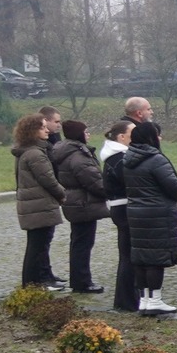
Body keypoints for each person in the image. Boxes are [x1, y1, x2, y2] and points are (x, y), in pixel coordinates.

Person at [122, 121, 177, 316]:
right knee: (155, 259)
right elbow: (176, 191)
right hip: (157, 214)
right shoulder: (156, 160)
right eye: (157, 135)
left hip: (135, 213)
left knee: (141, 257)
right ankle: (156, 300)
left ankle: (144, 300)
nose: (160, 138)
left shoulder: (128, 159)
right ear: (150, 137)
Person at [51, 120, 107, 294]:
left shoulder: (66, 151)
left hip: (75, 202)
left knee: (78, 242)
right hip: (83, 203)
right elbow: (93, 181)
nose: (88, 134)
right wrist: (110, 191)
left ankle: (80, 280)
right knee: (83, 244)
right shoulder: (78, 155)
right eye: (86, 131)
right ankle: (82, 282)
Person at [11, 115, 65, 290]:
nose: (47, 130)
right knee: (38, 247)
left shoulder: (28, 151)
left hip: (34, 205)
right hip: (39, 206)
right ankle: (35, 283)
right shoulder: (35, 154)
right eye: (43, 127)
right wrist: (62, 194)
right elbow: (48, 179)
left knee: (37, 246)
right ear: (33, 130)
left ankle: (34, 283)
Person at [99, 118, 138, 313]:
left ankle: (129, 298)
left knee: (129, 254)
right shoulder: (118, 158)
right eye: (133, 133)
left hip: (122, 206)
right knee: (128, 255)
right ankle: (126, 299)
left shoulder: (119, 156)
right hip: (123, 208)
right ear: (122, 137)